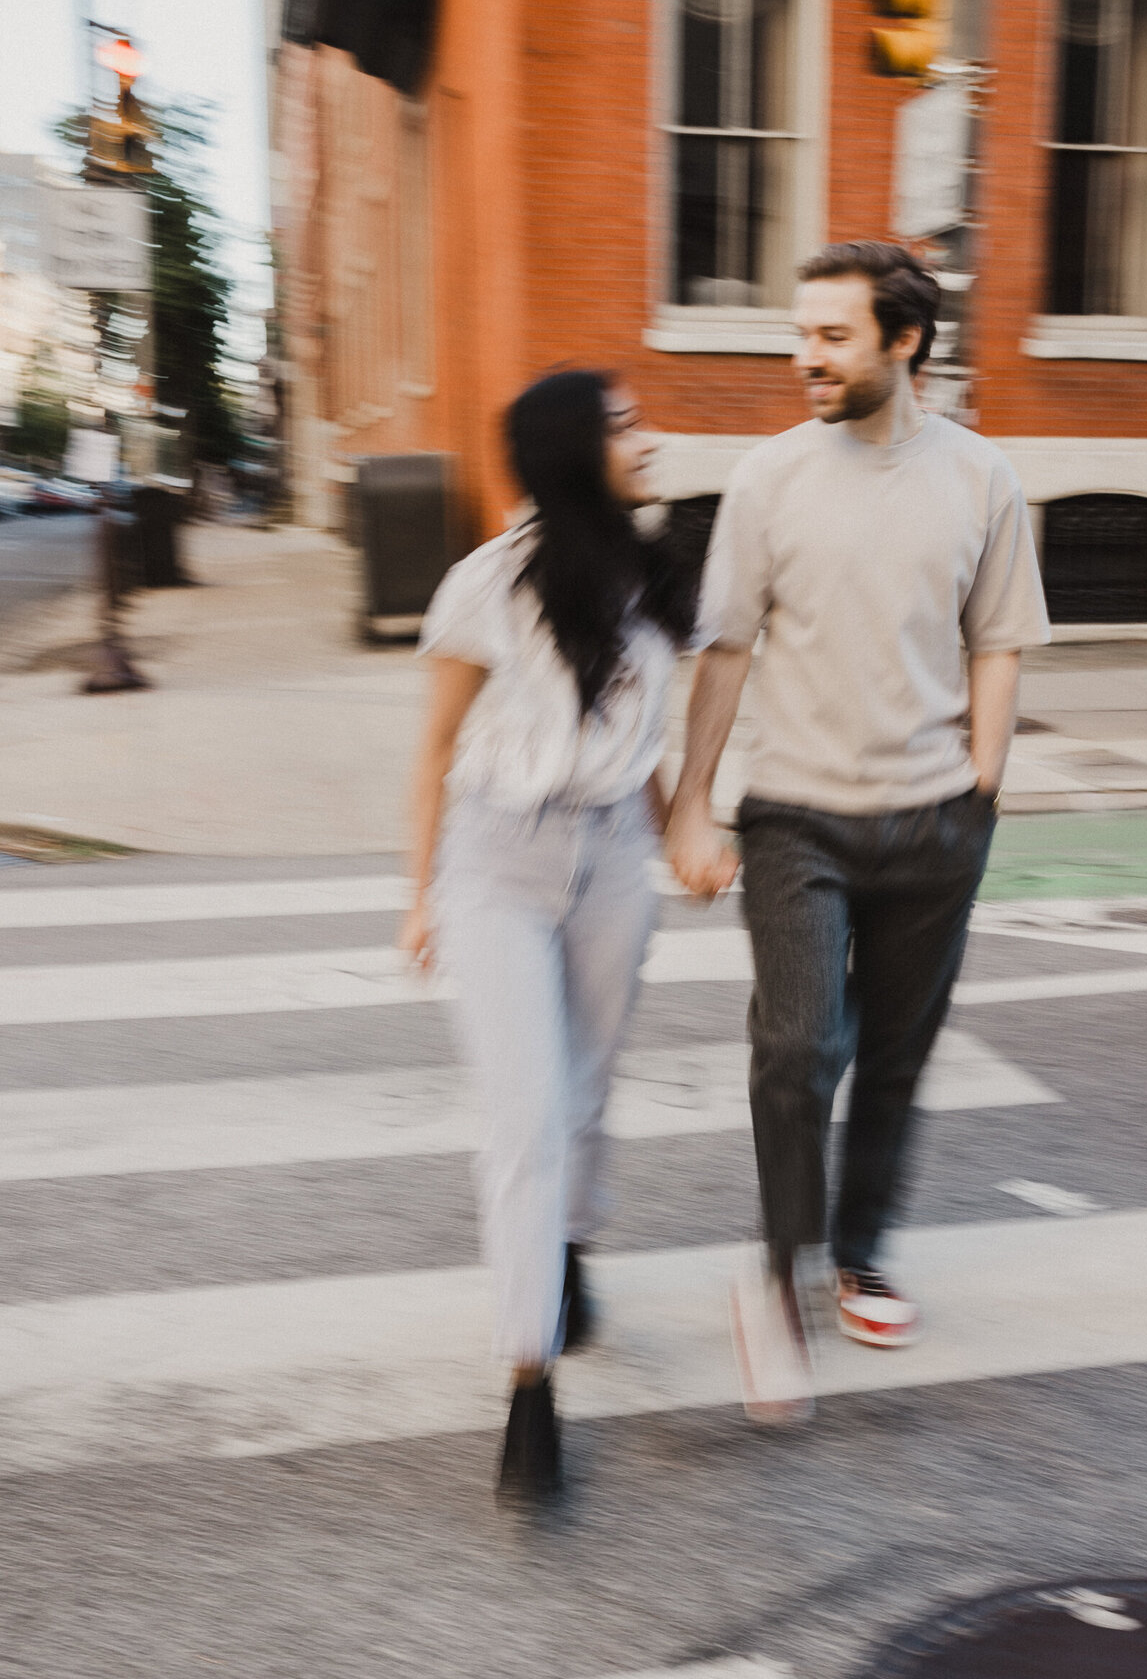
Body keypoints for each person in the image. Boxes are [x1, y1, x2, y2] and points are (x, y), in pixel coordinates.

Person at [666, 241, 1051, 1424]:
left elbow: (999, 638)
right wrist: (691, 799)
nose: (805, 358)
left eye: (830, 337)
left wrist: (980, 786)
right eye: (801, 334)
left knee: (893, 1055)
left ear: (904, 342)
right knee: (798, 1046)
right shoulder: (767, 479)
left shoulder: (982, 479)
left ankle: (860, 1252)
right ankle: (778, 1275)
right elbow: (726, 647)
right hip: (796, 821)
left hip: (934, 822)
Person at [401, 369, 694, 1503]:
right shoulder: (487, 585)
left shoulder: (658, 574)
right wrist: (419, 894)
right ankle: (531, 1383)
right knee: (525, 1116)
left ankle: (570, 1246)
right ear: (577, 450)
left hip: (615, 855)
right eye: (627, 425)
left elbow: (652, 735)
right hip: (498, 861)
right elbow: (433, 748)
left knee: (585, 1094)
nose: (650, 439)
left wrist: (683, 835)